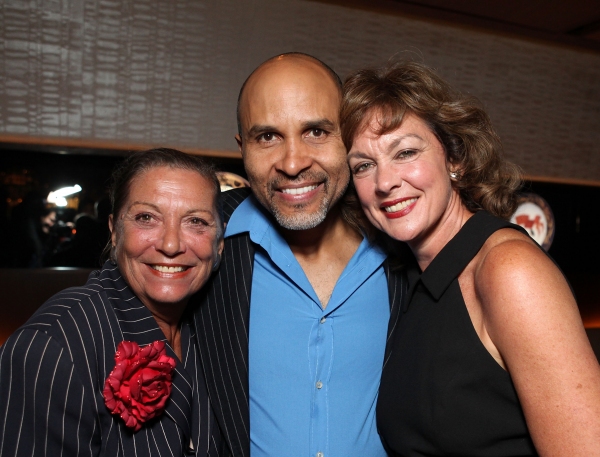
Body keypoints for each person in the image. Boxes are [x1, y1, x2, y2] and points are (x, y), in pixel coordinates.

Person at [341, 61, 600, 456]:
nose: (385, 182)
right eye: (364, 165)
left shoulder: (509, 270)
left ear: (455, 159)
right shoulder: (412, 278)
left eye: (406, 152)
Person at [193, 53, 404, 457]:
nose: (292, 163)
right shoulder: (205, 235)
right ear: (242, 149)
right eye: (267, 137)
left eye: (316, 132)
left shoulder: (403, 245)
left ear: (350, 137)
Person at [0, 148, 227, 456]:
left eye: (196, 221)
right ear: (115, 232)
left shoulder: (217, 328)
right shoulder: (52, 345)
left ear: (219, 245)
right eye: (146, 218)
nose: (171, 244)